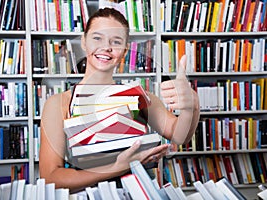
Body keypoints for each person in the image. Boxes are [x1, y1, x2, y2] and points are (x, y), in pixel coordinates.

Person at [39, 7, 200, 193]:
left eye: (115, 42)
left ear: (124, 51)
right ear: (84, 42)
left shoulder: (140, 97)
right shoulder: (58, 104)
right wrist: (118, 166)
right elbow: (51, 177)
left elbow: (180, 135)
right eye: (97, 38)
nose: (106, 47)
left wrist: (191, 106)